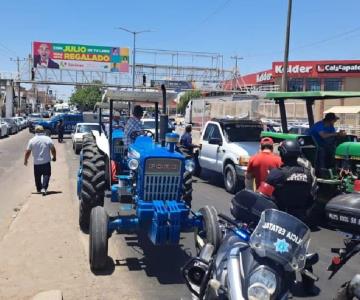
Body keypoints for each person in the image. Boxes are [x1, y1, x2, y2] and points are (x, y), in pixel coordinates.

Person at [264, 140, 315, 223]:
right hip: (299, 219)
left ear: (282, 154)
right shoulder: (308, 173)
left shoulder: (277, 173)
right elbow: (311, 196)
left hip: (279, 217)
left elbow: (263, 195)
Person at [24, 125, 56, 196]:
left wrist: (26, 160)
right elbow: (53, 149)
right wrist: (54, 157)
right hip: (46, 162)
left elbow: (27, 152)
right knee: (46, 175)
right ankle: (44, 188)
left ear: (35, 131)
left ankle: (39, 188)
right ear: (43, 131)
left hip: (37, 163)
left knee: (37, 176)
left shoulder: (32, 140)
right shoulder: (48, 139)